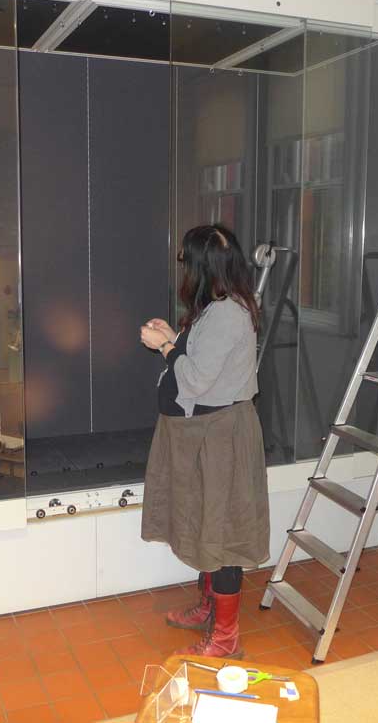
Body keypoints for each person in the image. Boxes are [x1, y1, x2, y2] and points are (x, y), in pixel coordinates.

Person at [139, 224, 269, 659]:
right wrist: (175, 340)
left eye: (185, 259)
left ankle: (227, 636)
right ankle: (209, 607)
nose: (182, 267)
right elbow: (204, 361)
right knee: (206, 523)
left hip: (221, 436)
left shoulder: (228, 313)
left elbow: (194, 379)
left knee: (223, 533)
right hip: (206, 433)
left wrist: (164, 348)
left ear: (202, 264)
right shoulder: (218, 307)